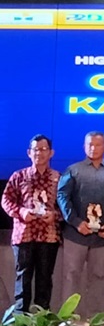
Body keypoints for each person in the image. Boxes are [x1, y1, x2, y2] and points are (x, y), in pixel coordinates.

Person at [57, 131, 104, 316]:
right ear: (84, 147)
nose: (93, 148)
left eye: (97, 145)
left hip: (102, 236)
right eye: (89, 145)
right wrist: (76, 222)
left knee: (98, 276)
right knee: (71, 275)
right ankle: (68, 317)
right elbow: (62, 196)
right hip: (75, 234)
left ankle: (95, 317)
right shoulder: (73, 170)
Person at [2, 134, 62, 313]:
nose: (39, 153)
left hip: (48, 236)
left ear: (51, 153)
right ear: (29, 152)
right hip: (24, 235)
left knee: (45, 279)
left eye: (43, 149)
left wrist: (54, 215)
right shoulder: (19, 176)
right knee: (23, 278)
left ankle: (41, 319)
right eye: (36, 150)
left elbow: (66, 207)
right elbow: (6, 200)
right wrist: (21, 212)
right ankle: (21, 318)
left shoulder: (59, 178)